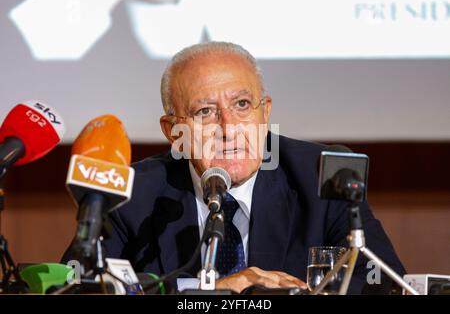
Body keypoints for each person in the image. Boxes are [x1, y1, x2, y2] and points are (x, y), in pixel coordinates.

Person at [64, 41, 405, 294]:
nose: (228, 127)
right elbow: (76, 286)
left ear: (265, 112)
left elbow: (385, 285)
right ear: (173, 132)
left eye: (242, 105)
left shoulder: (321, 177)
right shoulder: (133, 194)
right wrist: (210, 294)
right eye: (205, 112)